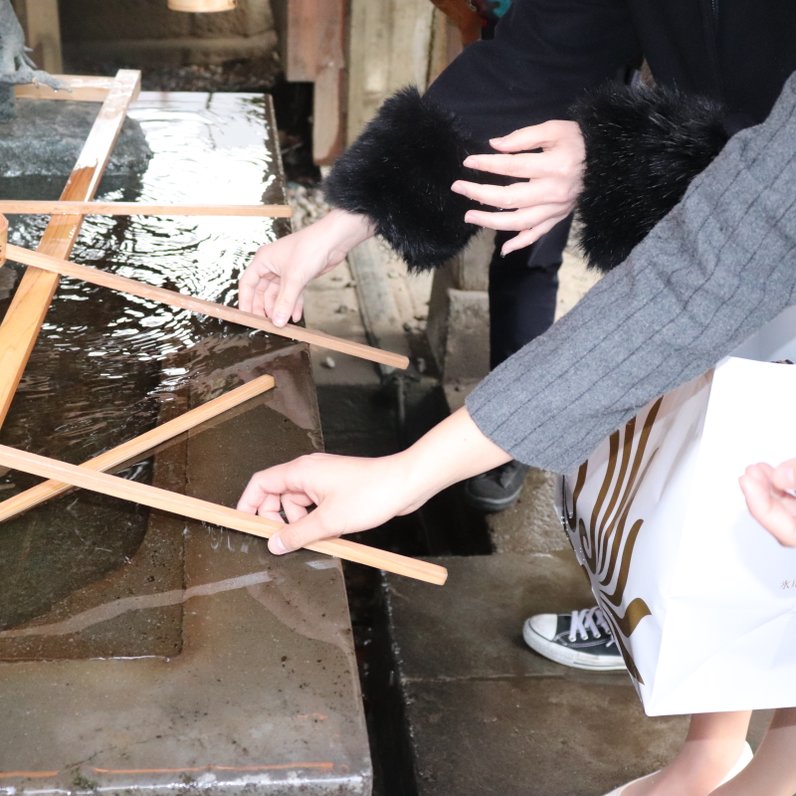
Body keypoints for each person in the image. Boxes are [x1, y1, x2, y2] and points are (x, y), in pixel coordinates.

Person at [238, 71, 796, 795]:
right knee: (737, 480)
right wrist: (347, 221)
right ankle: (711, 751)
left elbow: (727, 247)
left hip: (748, 193)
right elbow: (718, 255)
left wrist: (618, 155)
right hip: (749, 197)